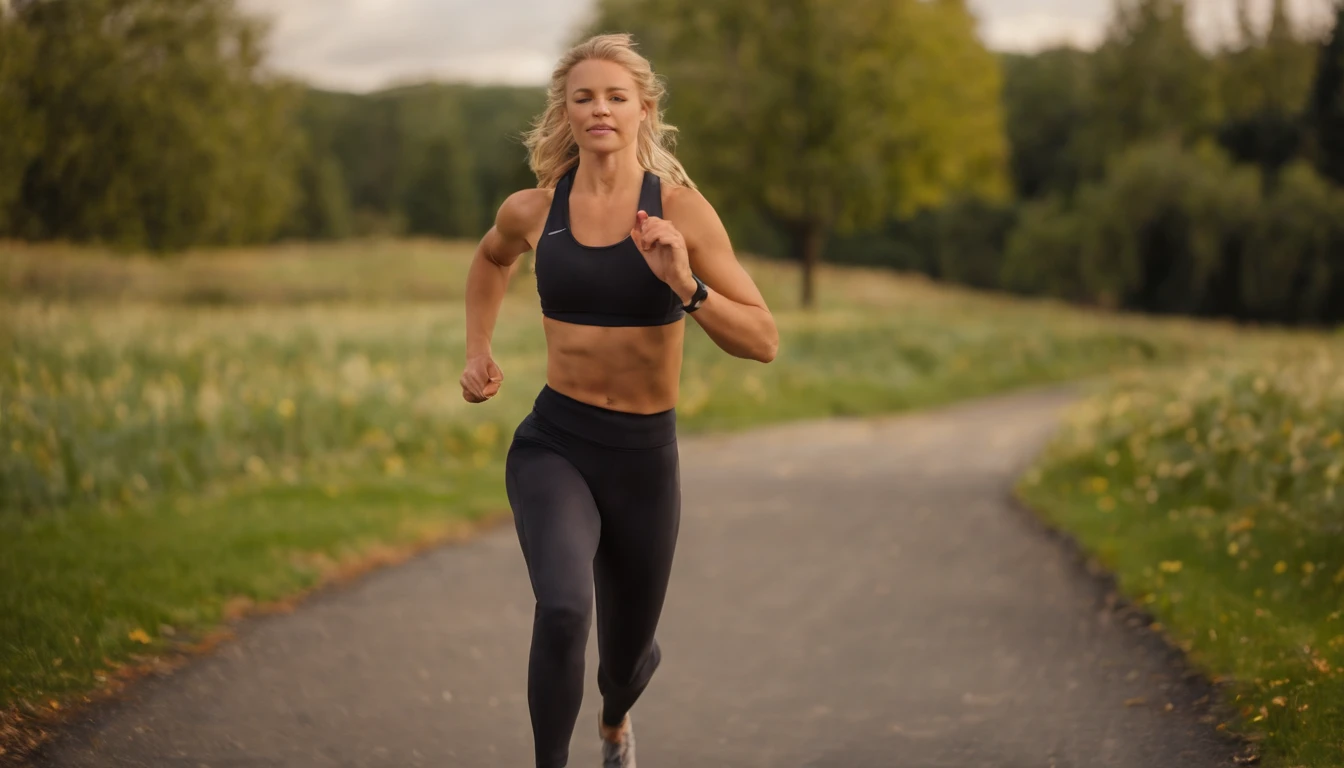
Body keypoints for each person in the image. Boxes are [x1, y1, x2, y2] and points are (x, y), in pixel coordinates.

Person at [459, 32, 779, 768]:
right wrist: (478, 350)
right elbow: (489, 260)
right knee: (565, 608)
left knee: (625, 662)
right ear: (565, 114)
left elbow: (762, 339)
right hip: (556, 444)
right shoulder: (535, 210)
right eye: (583, 97)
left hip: (642, 459)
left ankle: (614, 725)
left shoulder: (682, 212)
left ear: (644, 110)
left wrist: (685, 286)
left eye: (615, 96)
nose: (599, 108)